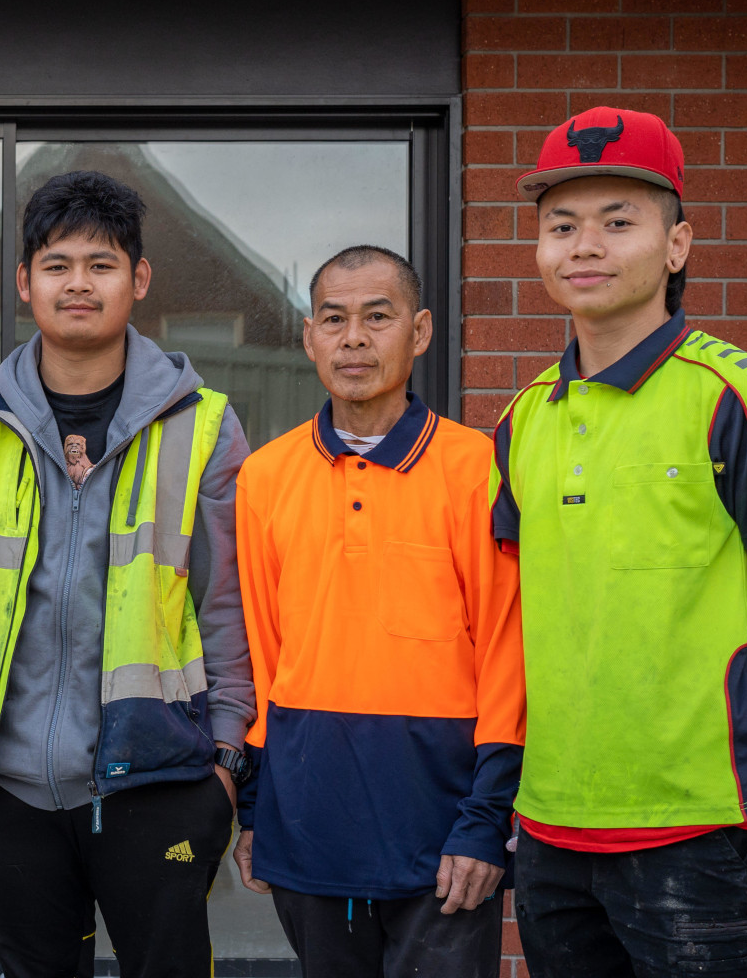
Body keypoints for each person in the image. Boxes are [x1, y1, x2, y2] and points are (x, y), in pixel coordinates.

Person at [494, 106, 747, 978]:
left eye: (619, 222)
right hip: (553, 828)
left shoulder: (739, 396)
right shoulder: (524, 418)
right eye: (561, 225)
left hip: (704, 834)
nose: (585, 246)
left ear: (676, 245)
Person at [0, 171, 253, 978]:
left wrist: (226, 767)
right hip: (2, 792)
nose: (79, 284)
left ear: (139, 280)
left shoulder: (203, 426)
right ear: (25, 284)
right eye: (57, 265)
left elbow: (229, 607)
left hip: (162, 781)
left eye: (102, 264)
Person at [229, 245, 522, 977]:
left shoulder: (477, 467)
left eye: (376, 317)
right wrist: (256, 812)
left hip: (443, 825)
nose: (353, 338)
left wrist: (487, 822)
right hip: (308, 821)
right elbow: (264, 653)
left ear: (419, 332)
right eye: (334, 319)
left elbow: (508, 653)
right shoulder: (265, 476)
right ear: (308, 337)